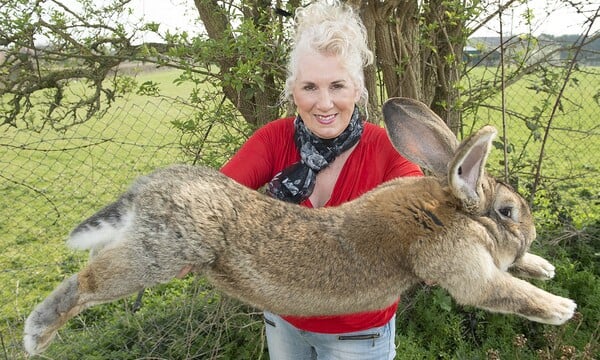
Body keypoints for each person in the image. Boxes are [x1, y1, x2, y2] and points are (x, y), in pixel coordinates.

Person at [220, 1, 423, 359]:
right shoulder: (274, 139)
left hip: (359, 335)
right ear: (293, 90)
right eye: (310, 87)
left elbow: (423, 224)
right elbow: (211, 198)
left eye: (338, 86)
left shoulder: (388, 152)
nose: (324, 103)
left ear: (358, 90)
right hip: (283, 320)